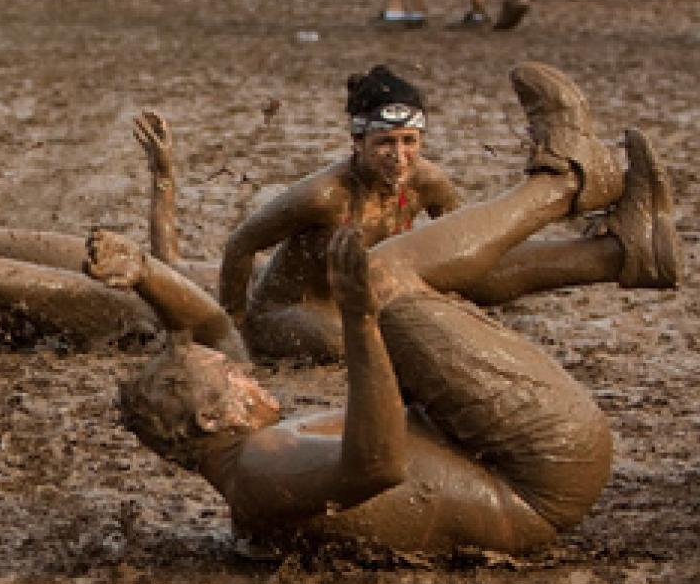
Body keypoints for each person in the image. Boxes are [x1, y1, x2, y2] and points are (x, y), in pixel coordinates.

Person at [98, 67, 675, 555]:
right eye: (229, 375)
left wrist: (146, 273)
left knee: (410, 270)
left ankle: (616, 253)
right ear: (211, 418)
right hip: (540, 476)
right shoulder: (257, 472)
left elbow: (216, 326)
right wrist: (362, 324)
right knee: (381, 277)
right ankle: (564, 181)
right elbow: (376, 467)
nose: (243, 368)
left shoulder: (252, 453)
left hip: (517, 463)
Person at [222, 64, 677, 364]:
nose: (399, 156)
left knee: (468, 265)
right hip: (296, 309)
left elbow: (472, 253)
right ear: (356, 144)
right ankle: (567, 183)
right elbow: (241, 245)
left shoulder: (428, 182)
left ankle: (616, 254)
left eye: (409, 142)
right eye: (384, 144)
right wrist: (232, 331)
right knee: (357, 342)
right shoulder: (324, 196)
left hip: (372, 292)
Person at [0, 112, 245, 358]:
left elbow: (222, 335)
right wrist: (163, 176)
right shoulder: (258, 265)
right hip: (146, 277)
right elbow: (172, 264)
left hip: (151, 318)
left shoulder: (268, 314)